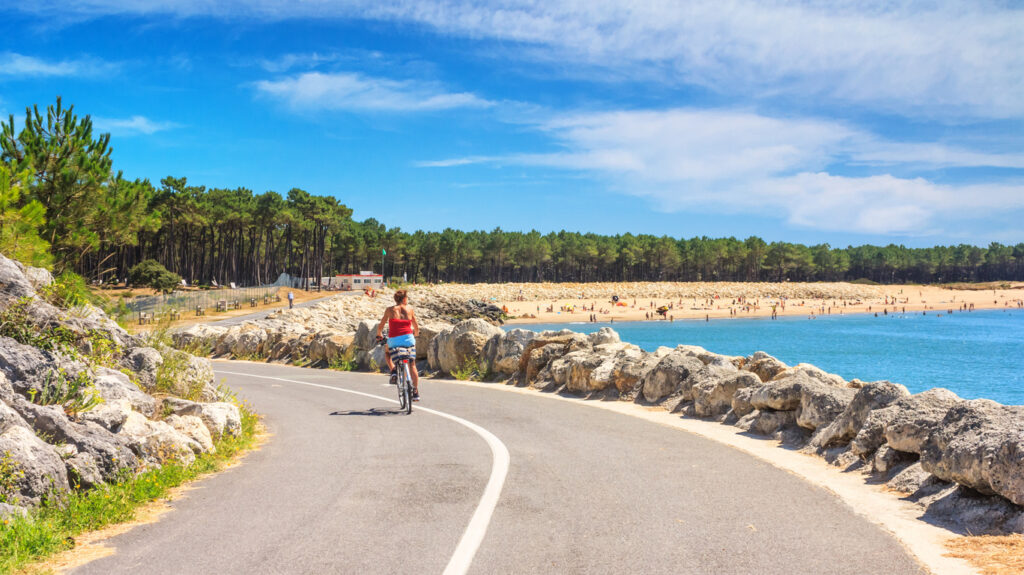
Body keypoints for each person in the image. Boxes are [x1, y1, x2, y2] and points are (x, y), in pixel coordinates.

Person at [377, 290, 421, 400]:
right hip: (408, 340)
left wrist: (379, 335)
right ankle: (415, 391)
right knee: (412, 365)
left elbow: (381, 326)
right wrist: (415, 334)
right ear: (404, 299)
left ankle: (393, 370)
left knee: (387, 352)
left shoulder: (389, 310)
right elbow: (416, 327)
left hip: (394, 340)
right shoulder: (410, 310)